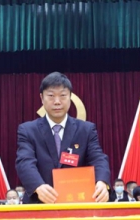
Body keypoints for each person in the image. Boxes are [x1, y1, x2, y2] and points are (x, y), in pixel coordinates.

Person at [16, 72, 110, 204]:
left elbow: (98, 158)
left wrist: (102, 181)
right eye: (51, 96)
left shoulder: (86, 129)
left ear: (70, 97)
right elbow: (24, 161)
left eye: (62, 96)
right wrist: (38, 186)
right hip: (39, 203)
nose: (57, 102)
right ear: (42, 98)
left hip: (76, 203)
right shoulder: (28, 130)